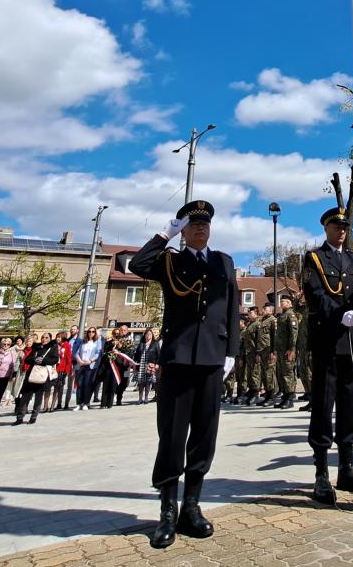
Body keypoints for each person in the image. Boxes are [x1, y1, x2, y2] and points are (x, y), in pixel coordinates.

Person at [130, 200, 240, 549]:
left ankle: (191, 506)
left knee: (204, 436)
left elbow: (232, 307)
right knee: (173, 436)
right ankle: (166, 510)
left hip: (211, 359)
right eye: (193, 225)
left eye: (205, 224)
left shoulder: (223, 261)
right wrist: (165, 234)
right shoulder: (169, 260)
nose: (200, 229)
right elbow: (136, 264)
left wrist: (232, 352)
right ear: (184, 230)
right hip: (178, 359)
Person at [302, 206, 353, 503]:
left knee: (349, 404)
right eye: (336, 226)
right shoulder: (314, 258)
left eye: (344, 226)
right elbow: (315, 293)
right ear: (326, 228)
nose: (341, 230)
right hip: (328, 339)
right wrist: (339, 314)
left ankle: (346, 468)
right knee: (322, 405)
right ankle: (321, 473)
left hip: (352, 341)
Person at [15, 333, 58, 424]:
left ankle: (33, 417)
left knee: (38, 397)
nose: (44, 339)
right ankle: (20, 417)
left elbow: (55, 360)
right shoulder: (36, 347)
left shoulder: (53, 348)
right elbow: (27, 359)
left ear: (50, 339)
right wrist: (35, 360)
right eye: (43, 337)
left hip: (42, 375)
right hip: (31, 375)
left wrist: (43, 360)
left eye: (47, 338)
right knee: (25, 397)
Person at [273, 295, 299, 409]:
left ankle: (289, 398)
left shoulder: (290, 315)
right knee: (281, 374)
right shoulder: (282, 316)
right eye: (281, 301)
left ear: (289, 303)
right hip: (280, 350)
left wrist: (292, 349)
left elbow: (294, 334)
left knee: (288, 373)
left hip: (288, 350)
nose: (282, 303)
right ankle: (284, 396)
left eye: (284, 302)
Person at [73, 327, 102, 410]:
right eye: (89, 331)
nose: (91, 333)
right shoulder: (82, 341)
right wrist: (80, 361)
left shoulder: (97, 341)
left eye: (93, 332)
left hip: (90, 365)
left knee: (87, 384)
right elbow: (76, 353)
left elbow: (98, 353)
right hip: (81, 364)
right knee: (79, 384)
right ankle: (79, 403)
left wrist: (91, 361)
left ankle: (86, 403)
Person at [253, 304, 277, 407]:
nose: (263, 310)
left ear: (271, 311)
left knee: (269, 374)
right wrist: (258, 352)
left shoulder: (273, 320)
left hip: (268, 351)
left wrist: (273, 352)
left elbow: (274, 337)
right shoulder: (262, 320)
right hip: (261, 350)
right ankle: (266, 396)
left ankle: (271, 397)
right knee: (263, 374)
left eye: (265, 309)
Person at [133, 328, 161, 404]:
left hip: (150, 365)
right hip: (141, 364)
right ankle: (140, 398)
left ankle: (146, 398)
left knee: (148, 382)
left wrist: (157, 364)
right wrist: (135, 365)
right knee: (141, 382)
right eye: (147, 334)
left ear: (152, 336)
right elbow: (136, 356)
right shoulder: (141, 344)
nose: (148, 335)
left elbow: (158, 355)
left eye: (150, 334)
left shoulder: (155, 344)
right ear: (144, 335)